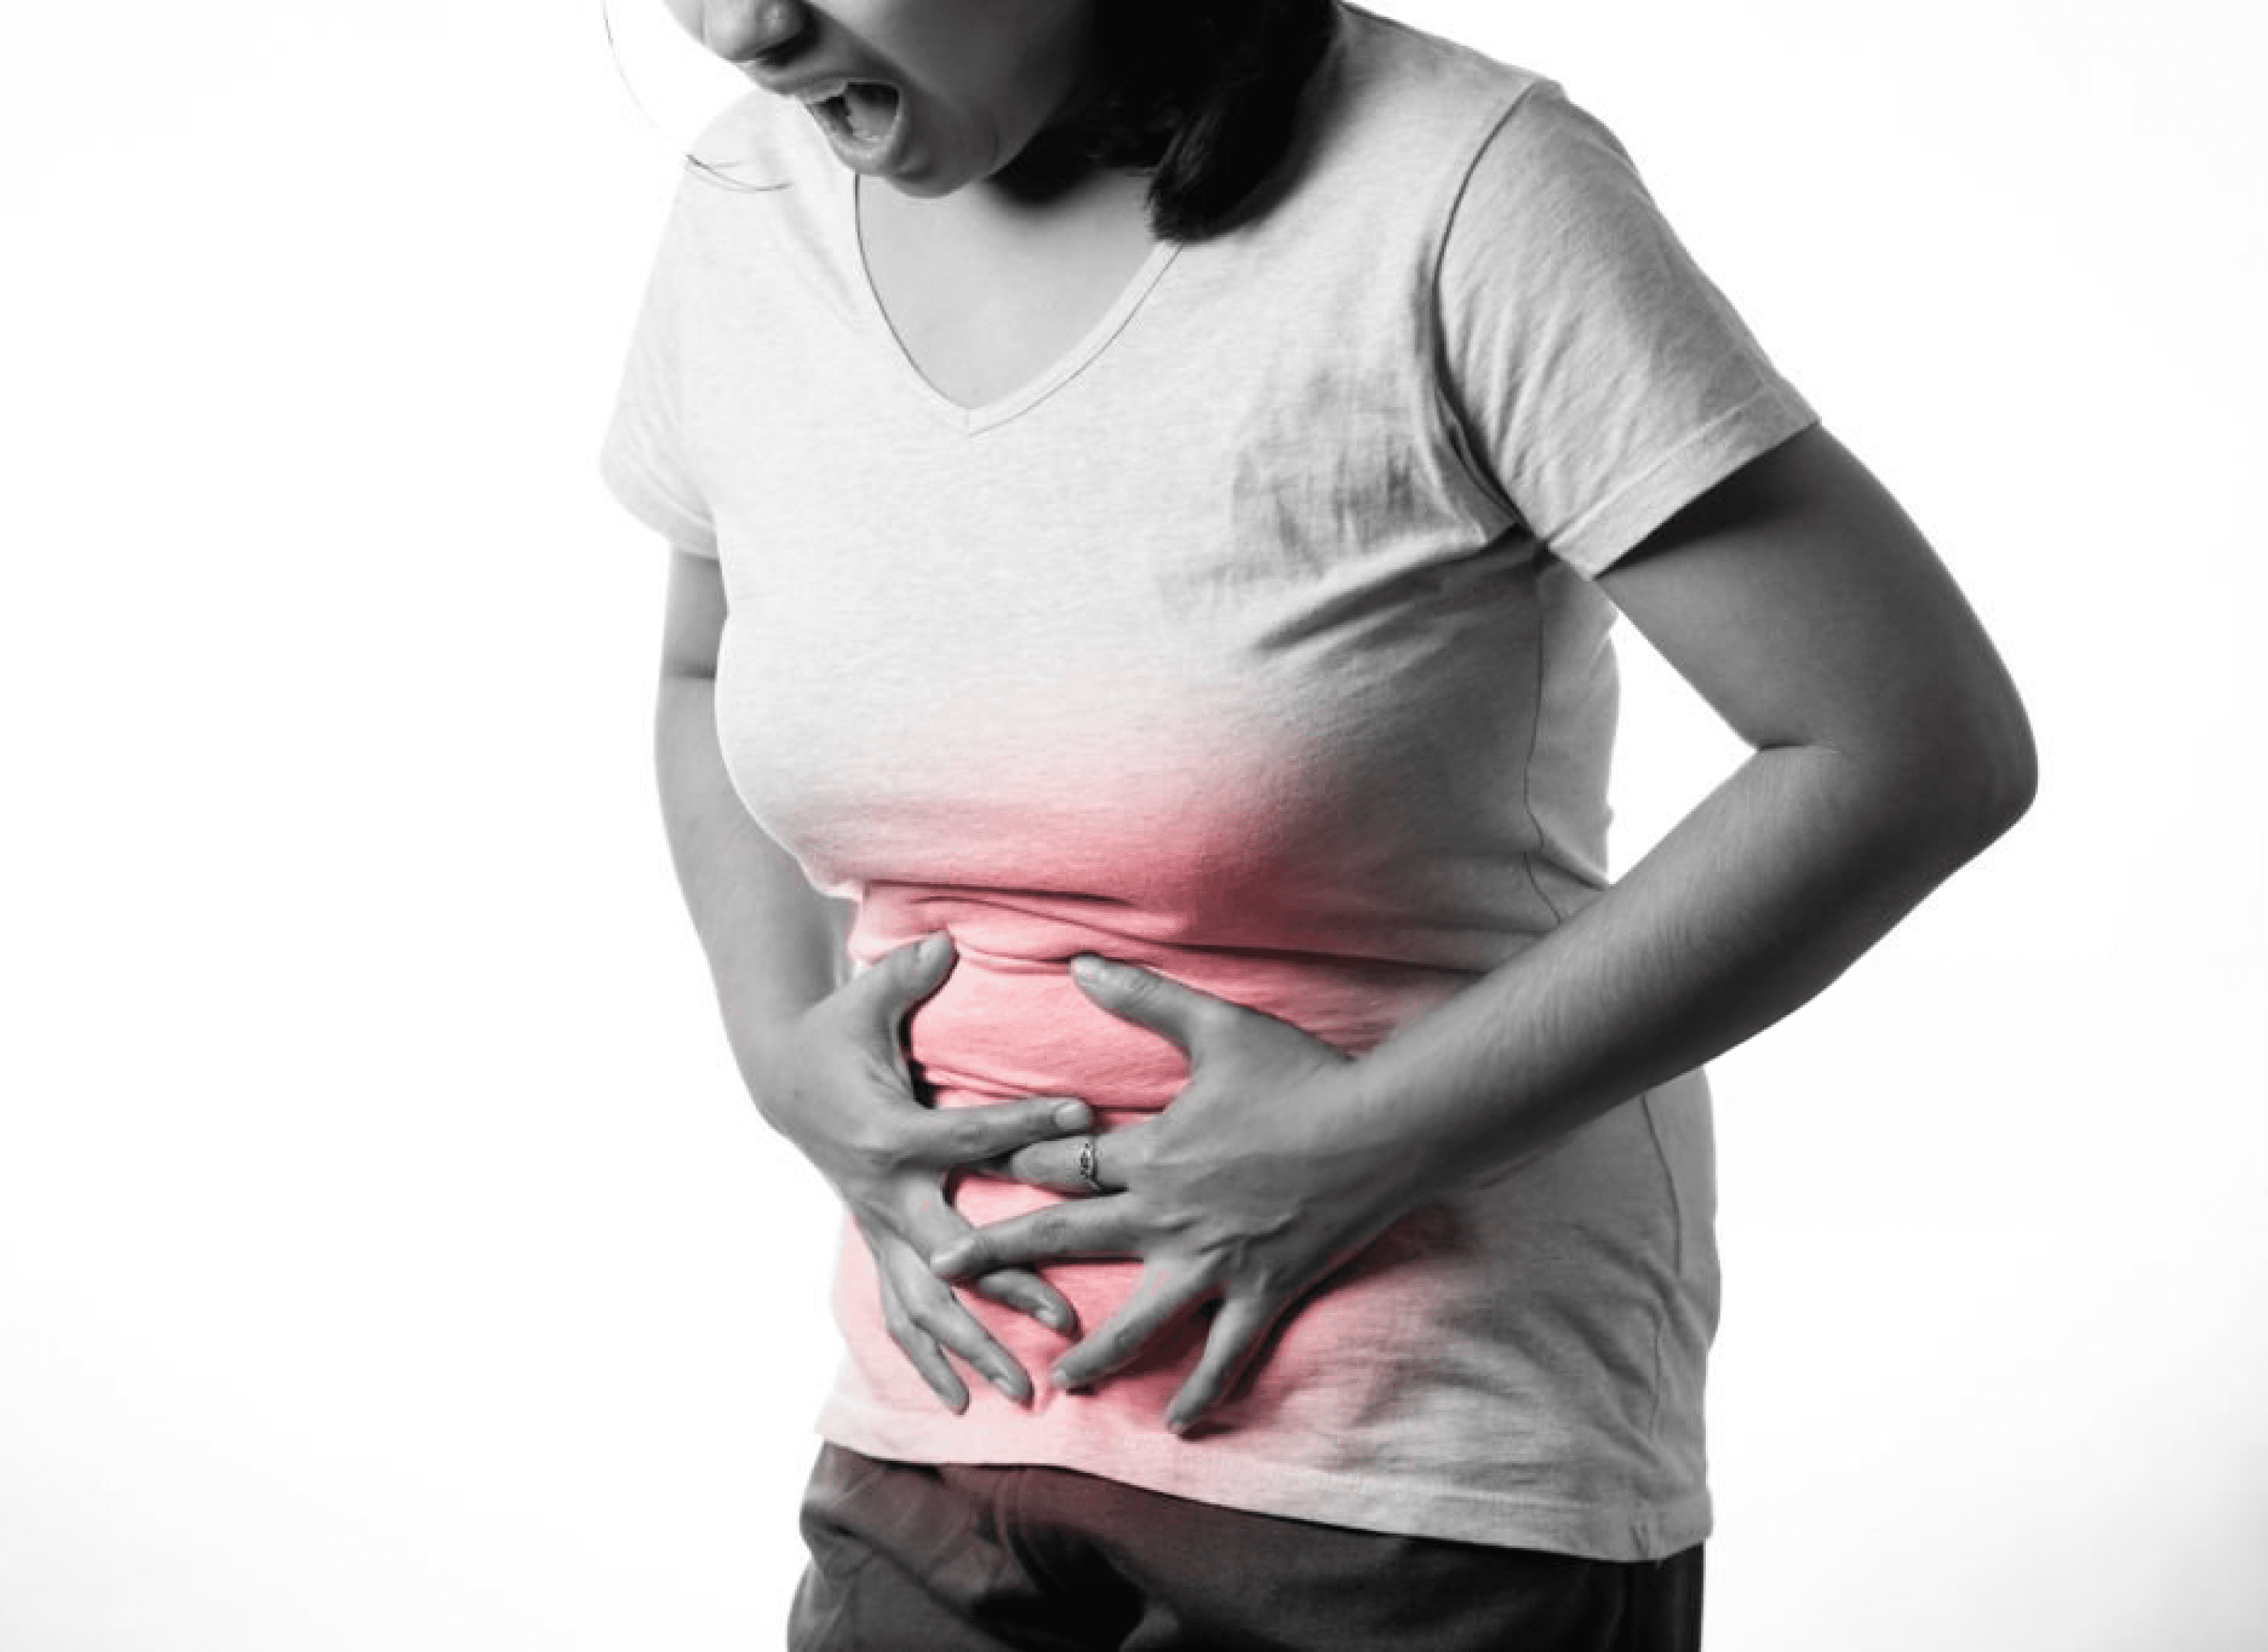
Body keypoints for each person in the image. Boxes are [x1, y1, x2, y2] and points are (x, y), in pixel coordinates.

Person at [604, 1, 2036, 1645]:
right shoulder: (746, 202)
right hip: (930, 1434)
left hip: (1410, 1485)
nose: (740, 27)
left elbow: (1907, 748)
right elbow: (702, 663)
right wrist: (779, 1052)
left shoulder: (1458, 191)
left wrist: (1359, 1146)